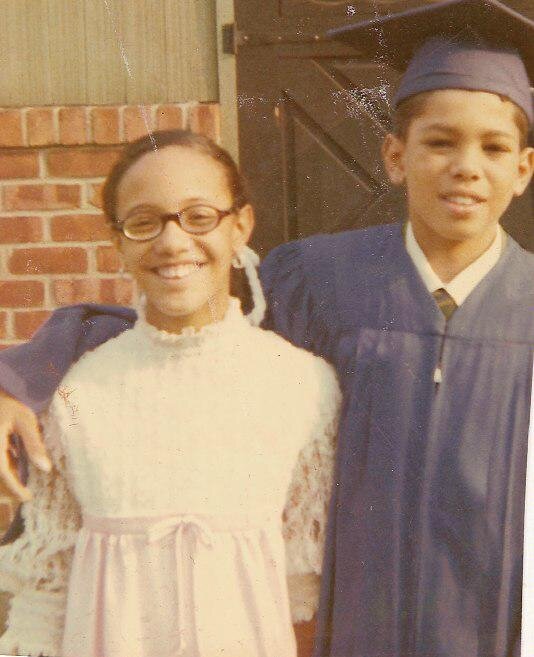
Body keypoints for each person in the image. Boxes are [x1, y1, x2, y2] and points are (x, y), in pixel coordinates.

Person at [0, 0, 533, 655]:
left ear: (524, 169)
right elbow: (189, 333)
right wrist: (19, 377)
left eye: (494, 147)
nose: (467, 166)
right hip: (350, 632)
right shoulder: (321, 279)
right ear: (395, 156)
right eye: (440, 142)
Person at [0, 129, 341, 657]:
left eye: (199, 216)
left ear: (241, 226)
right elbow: (47, 589)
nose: (173, 241)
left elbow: (303, 590)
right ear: (116, 241)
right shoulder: (77, 392)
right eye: (143, 222)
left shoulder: (302, 386)